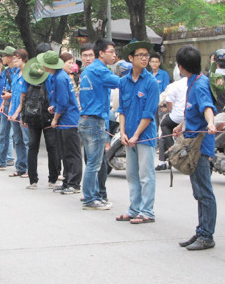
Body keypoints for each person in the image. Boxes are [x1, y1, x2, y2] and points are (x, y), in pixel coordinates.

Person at [173, 45, 218, 251]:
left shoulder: (200, 85)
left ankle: (207, 235)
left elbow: (206, 107)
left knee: (204, 191)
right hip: (191, 141)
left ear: (181, 67)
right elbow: (192, 110)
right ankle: (201, 230)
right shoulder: (193, 81)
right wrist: (181, 125)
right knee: (198, 191)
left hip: (199, 146)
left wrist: (210, 123)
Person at [115, 41, 159, 224]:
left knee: (146, 175)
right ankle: (134, 209)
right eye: (140, 55)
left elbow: (149, 114)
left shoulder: (151, 83)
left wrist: (136, 135)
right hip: (129, 135)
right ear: (131, 58)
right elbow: (122, 109)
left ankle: (147, 211)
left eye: (146, 55)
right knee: (131, 174)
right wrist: (123, 133)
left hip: (145, 136)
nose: (144, 58)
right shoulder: (124, 82)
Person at [78, 39, 120, 209]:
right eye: (111, 51)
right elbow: (121, 83)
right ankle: (89, 199)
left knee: (93, 163)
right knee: (94, 164)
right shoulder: (100, 70)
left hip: (87, 121)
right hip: (94, 121)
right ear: (101, 53)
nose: (114, 55)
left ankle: (95, 195)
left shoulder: (88, 70)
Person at [50, 52, 82, 194]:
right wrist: (54, 107)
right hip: (65, 120)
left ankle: (74, 183)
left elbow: (63, 103)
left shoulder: (61, 78)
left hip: (68, 121)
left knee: (72, 153)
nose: (72, 65)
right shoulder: (59, 77)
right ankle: (67, 180)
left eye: (71, 63)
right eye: (69, 62)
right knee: (64, 153)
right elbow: (60, 100)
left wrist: (55, 118)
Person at [21, 60, 53, 189]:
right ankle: (53, 179)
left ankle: (33, 180)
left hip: (32, 117)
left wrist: (23, 116)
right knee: (52, 147)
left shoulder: (27, 80)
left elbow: (23, 98)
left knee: (32, 148)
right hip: (48, 117)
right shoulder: (50, 77)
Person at [37, 51, 65, 187]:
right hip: (47, 112)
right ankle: (53, 177)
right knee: (52, 146)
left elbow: (62, 100)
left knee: (53, 146)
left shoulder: (57, 78)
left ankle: (56, 176)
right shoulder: (54, 76)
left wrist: (55, 116)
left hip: (51, 114)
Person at [6, 51, 30, 178]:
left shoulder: (27, 74)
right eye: (13, 58)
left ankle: (29, 169)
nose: (14, 61)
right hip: (14, 110)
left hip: (23, 112)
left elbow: (23, 97)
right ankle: (20, 167)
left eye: (17, 58)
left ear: (24, 59)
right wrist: (11, 111)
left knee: (27, 141)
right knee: (17, 140)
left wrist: (16, 113)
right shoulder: (15, 73)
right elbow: (14, 93)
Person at [157, 68, 188, 169]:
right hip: (190, 116)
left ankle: (171, 148)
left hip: (177, 116)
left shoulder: (174, 85)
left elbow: (166, 99)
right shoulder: (198, 82)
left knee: (163, 125)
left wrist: (171, 111)